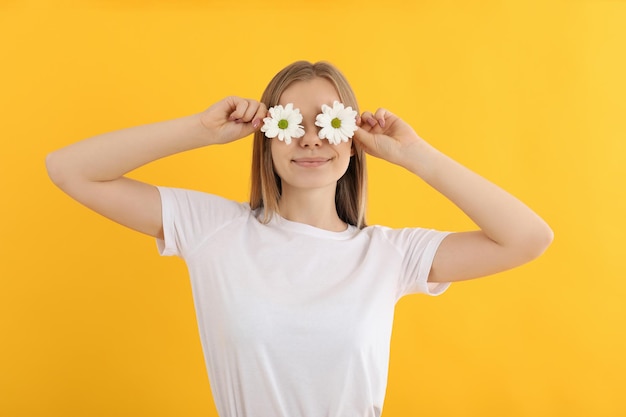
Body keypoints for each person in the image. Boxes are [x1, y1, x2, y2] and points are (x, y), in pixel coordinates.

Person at [46, 60, 553, 417]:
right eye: (291, 123)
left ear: (352, 143)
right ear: (267, 139)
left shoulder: (389, 255)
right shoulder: (213, 231)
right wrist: (199, 131)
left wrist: (415, 155)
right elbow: (69, 170)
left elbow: (527, 238)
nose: (310, 138)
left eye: (329, 123)